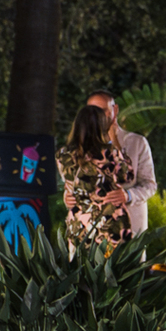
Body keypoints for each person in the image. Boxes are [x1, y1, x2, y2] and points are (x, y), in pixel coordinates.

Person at [61, 102, 136, 248]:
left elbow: (70, 184)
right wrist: (114, 141)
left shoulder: (63, 155)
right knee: (111, 266)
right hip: (110, 221)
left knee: (81, 266)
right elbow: (127, 176)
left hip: (79, 221)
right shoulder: (110, 153)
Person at [87, 90, 156, 239]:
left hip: (128, 232)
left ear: (115, 110)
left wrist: (128, 195)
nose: (97, 116)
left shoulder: (137, 143)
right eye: (92, 111)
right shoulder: (82, 145)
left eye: (103, 111)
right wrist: (68, 196)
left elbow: (150, 185)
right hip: (92, 233)